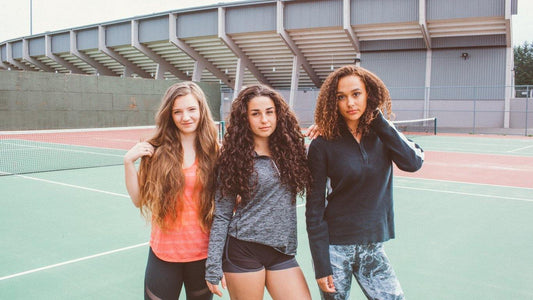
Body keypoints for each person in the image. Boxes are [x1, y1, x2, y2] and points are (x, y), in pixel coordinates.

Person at [306, 65, 424, 300]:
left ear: (369, 94)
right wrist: (321, 265)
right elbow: (314, 208)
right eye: (342, 97)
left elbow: (413, 162)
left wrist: (379, 121)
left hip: (372, 246)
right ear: (333, 102)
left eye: (356, 94)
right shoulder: (322, 144)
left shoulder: (384, 135)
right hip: (335, 249)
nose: (350, 103)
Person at [205, 84, 312, 300]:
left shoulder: (294, 151)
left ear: (278, 114)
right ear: (245, 118)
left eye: (269, 112)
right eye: (256, 113)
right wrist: (213, 265)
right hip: (243, 250)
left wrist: (324, 131)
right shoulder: (232, 158)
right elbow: (223, 214)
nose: (264, 120)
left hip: (282, 251)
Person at [123, 81, 219, 300]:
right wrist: (128, 162)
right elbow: (138, 200)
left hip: (203, 254)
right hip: (163, 254)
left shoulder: (215, 151)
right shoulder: (155, 151)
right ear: (170, 114)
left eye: (192, 109)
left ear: (201, 110)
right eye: (178, 111)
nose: (186, 117)